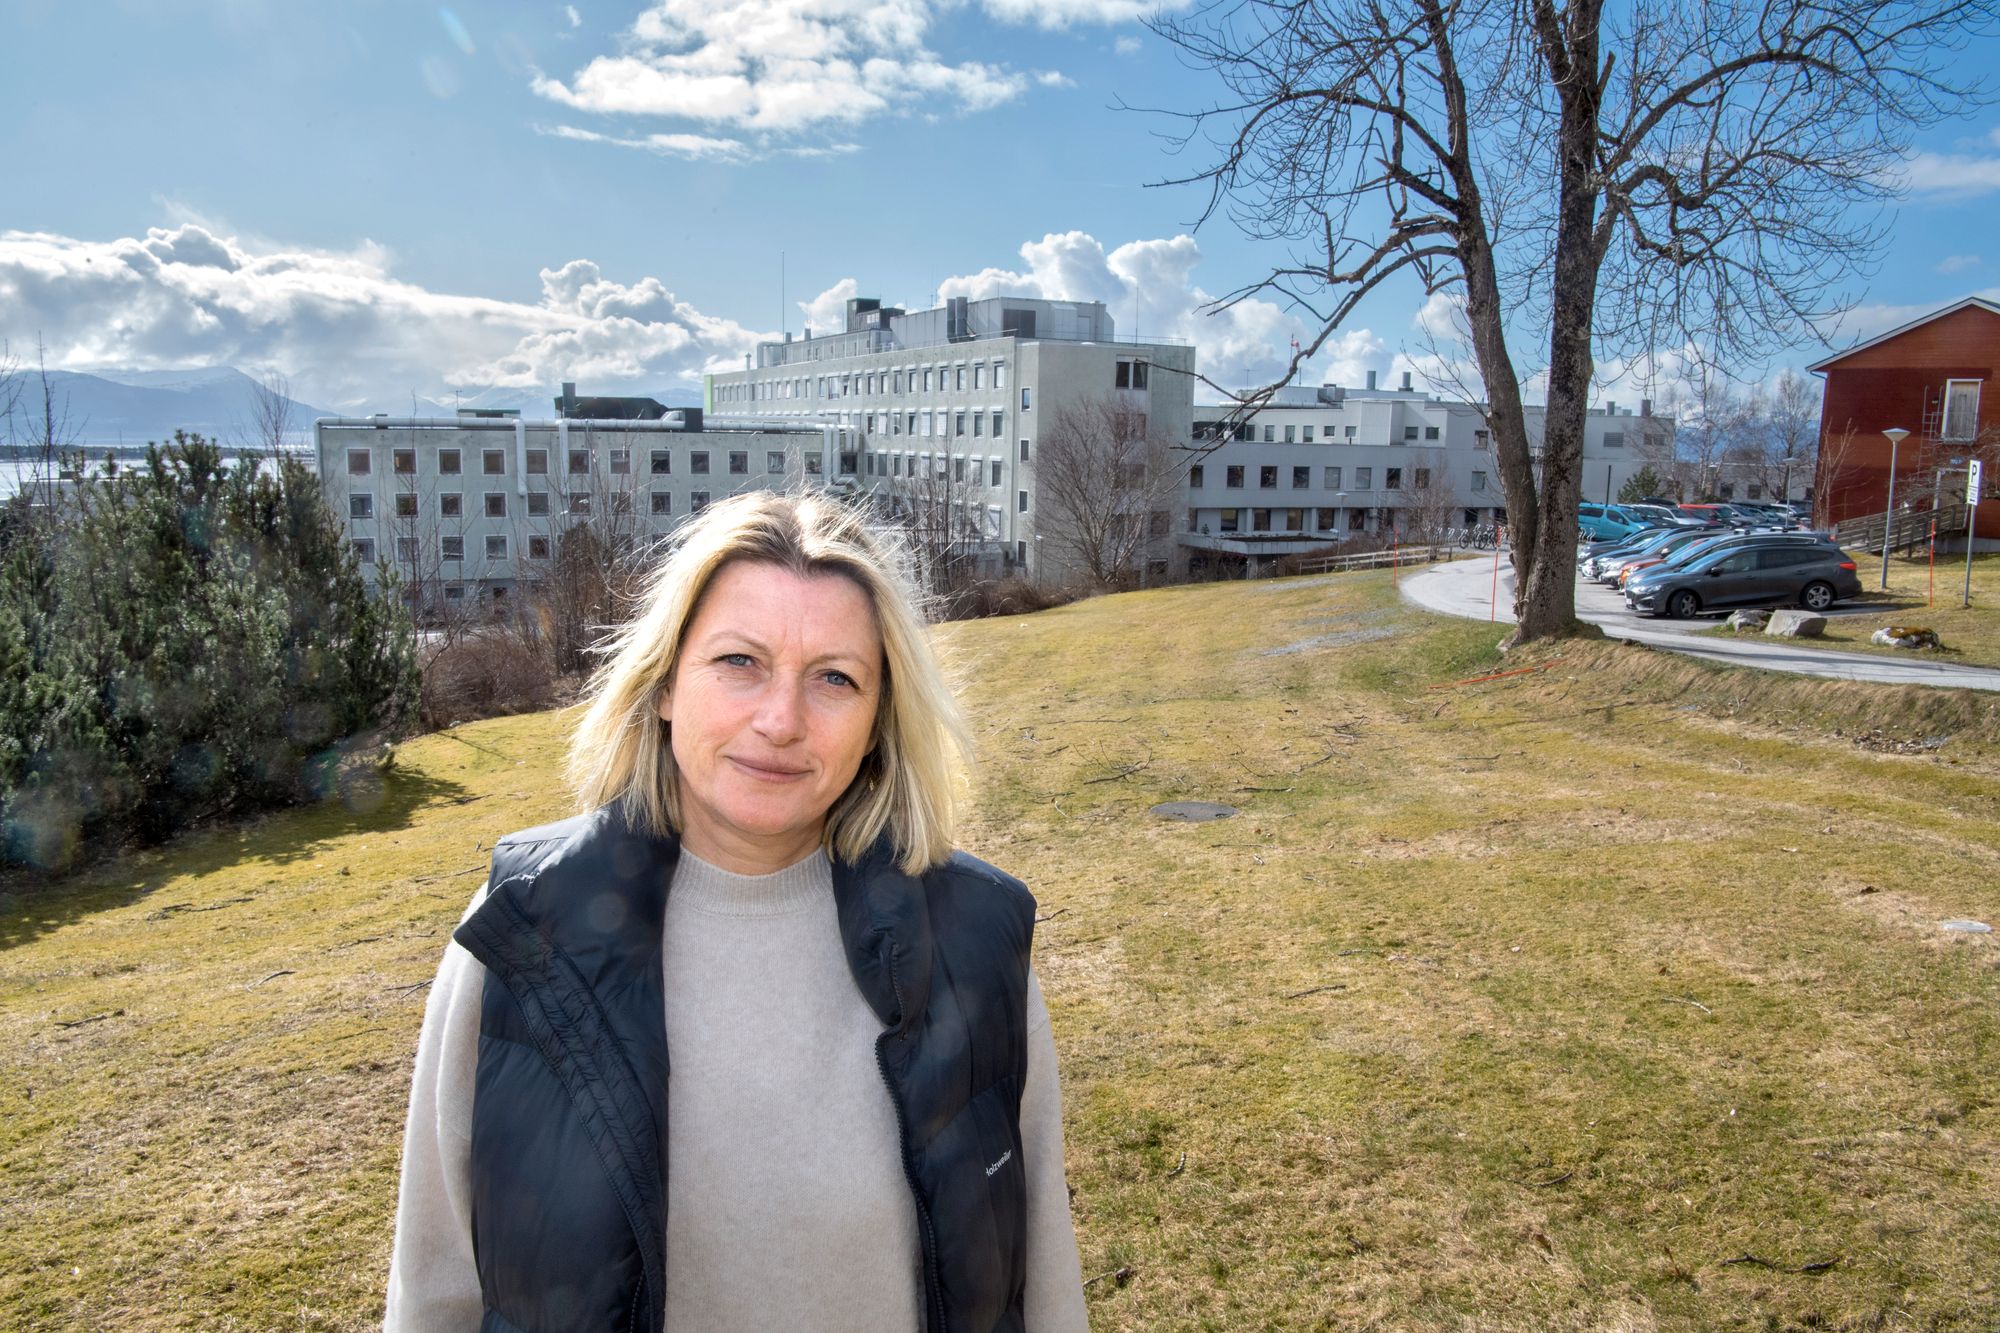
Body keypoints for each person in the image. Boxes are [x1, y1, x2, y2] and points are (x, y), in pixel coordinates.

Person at [384, 491, 1089, 1332]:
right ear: (666, 684)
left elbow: (1041, 1286)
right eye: (739, 662)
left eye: (835, 678)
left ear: (876, 722)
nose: (781, 721)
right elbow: (434, 1298)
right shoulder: (528, 934)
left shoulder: (972, 942)